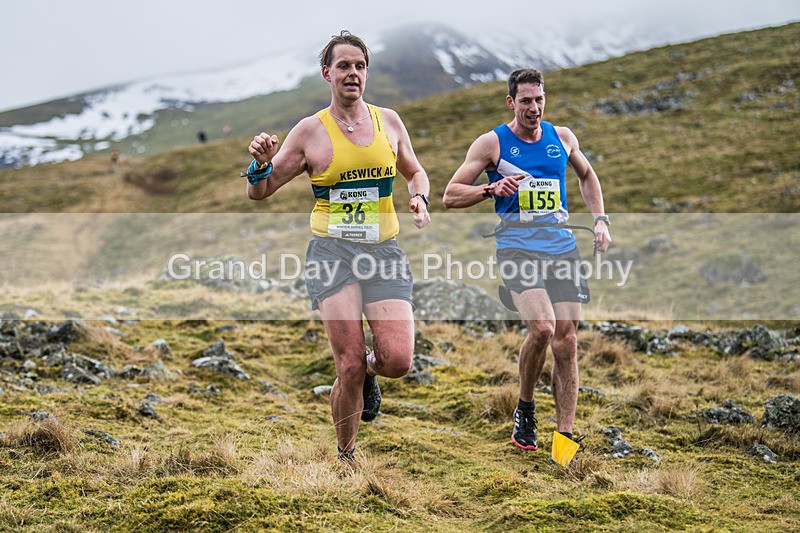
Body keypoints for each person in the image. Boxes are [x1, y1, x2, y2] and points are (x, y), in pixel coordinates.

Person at [244, 31, 431, 462]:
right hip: (332, 256)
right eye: (343, 66)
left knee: (398, 360)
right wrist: (258, 164)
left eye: (360, 66)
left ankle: (368, 368)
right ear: (327, 73)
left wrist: (418, 196)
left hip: (383, 253)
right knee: (345, 365)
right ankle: (346, 457)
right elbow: (263, 190)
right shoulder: (311, 131)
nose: (352, 73)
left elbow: (415, 172)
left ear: (367, 72)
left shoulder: (390, 122)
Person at [442, 68, 611, 463]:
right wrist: (489, 188)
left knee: (567, 340)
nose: (533, 108)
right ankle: (526, 407)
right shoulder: (492, 143)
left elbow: (588, 176)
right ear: (511, 103)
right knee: (543, 329)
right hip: (517, 248)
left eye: (539, 100)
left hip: (562, 247)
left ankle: (564, 442)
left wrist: (601, 220)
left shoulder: (562, 137)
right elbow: (450, 195)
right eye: (525, 101)